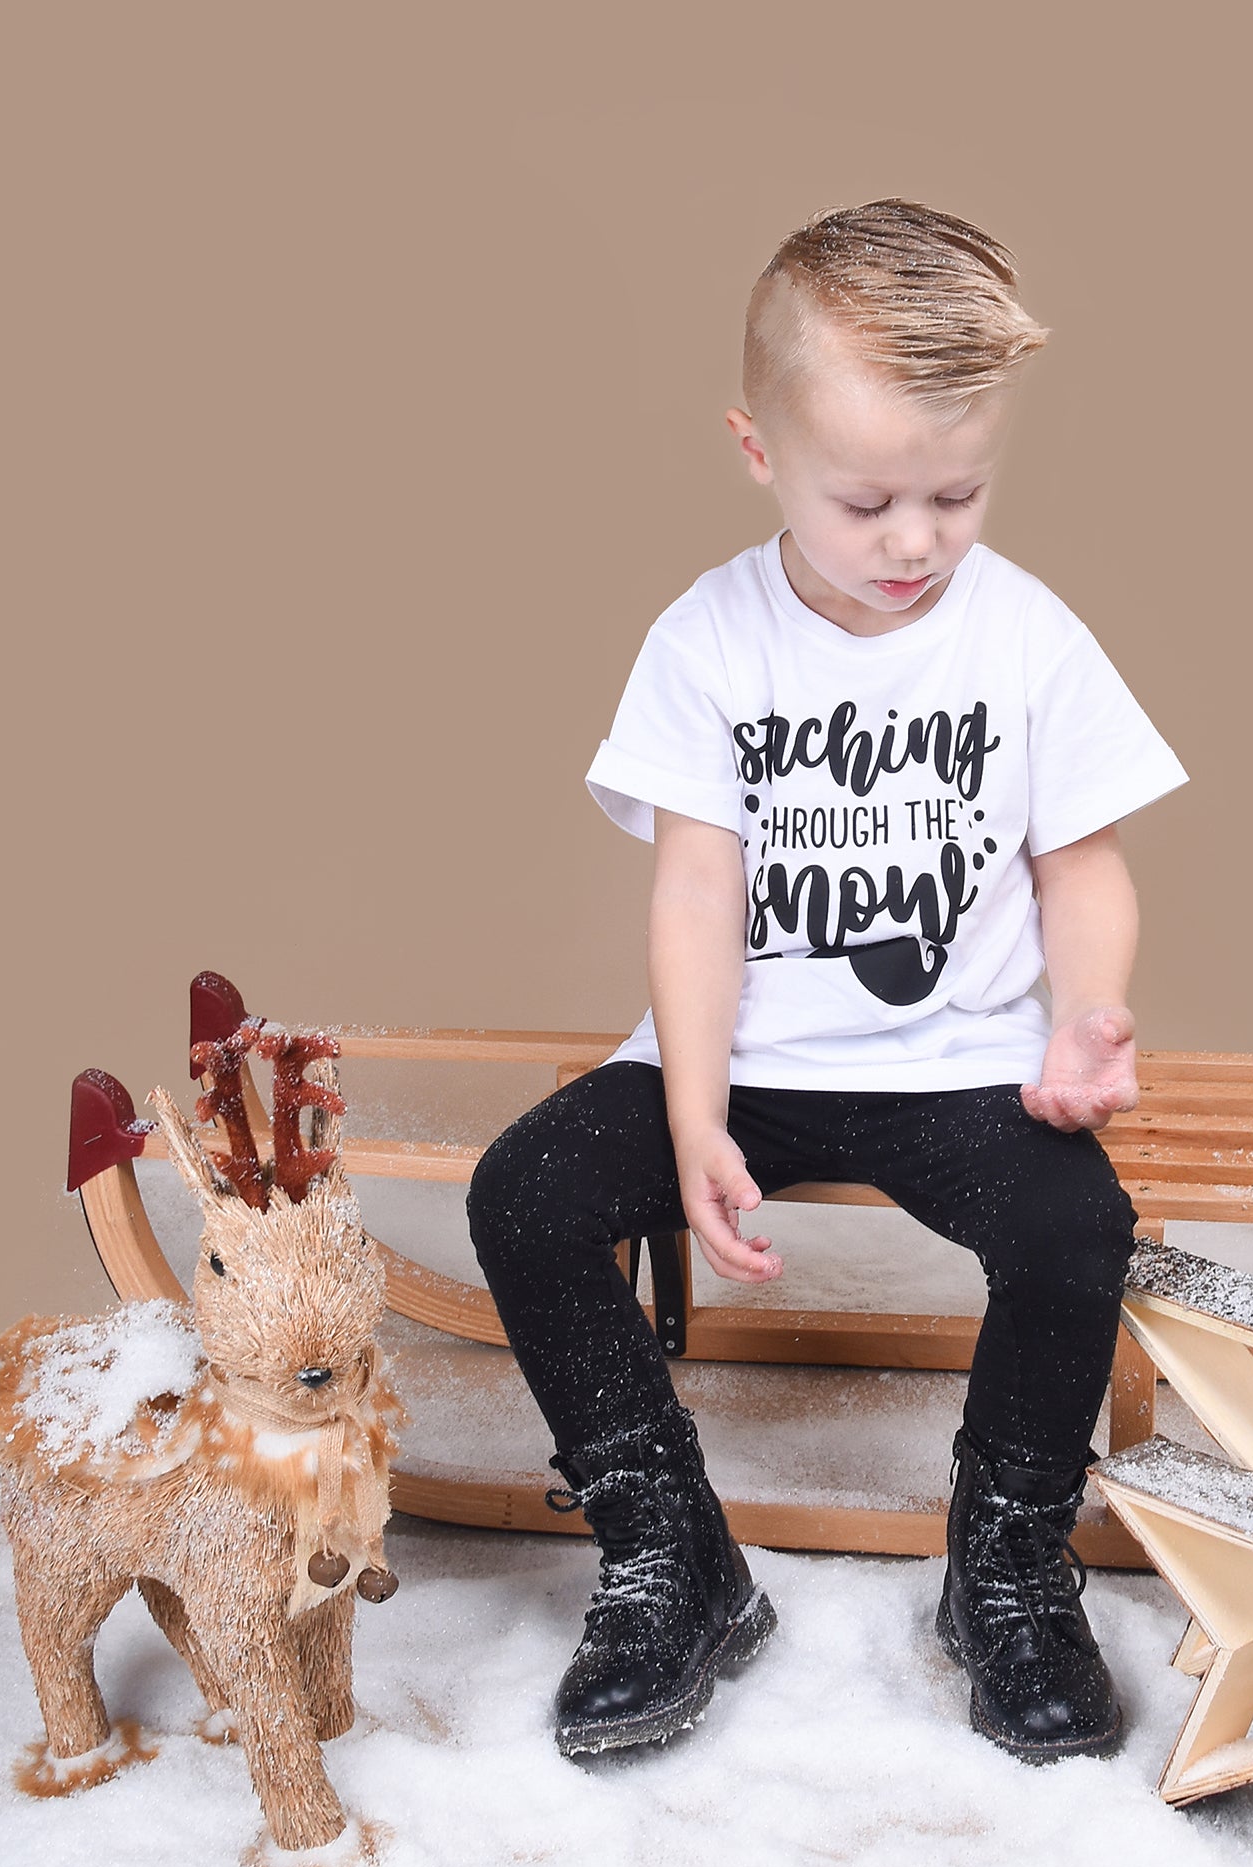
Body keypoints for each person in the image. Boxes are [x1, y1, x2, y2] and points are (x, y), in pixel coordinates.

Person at [467, 200, 1187, 1764]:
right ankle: (673, 1552)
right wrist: (699, 1115)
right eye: (866, 502)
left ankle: (1006, 1565)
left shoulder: (1029, 637)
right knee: (521, 1194)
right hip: (748, 1051)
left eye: (958, 493)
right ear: (756, 450)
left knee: (1078, 1226)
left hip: (954, 1062)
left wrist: (1083, 1016)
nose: (915, 541)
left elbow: (1085, 863)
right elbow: (696, 885)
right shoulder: (708, 639)